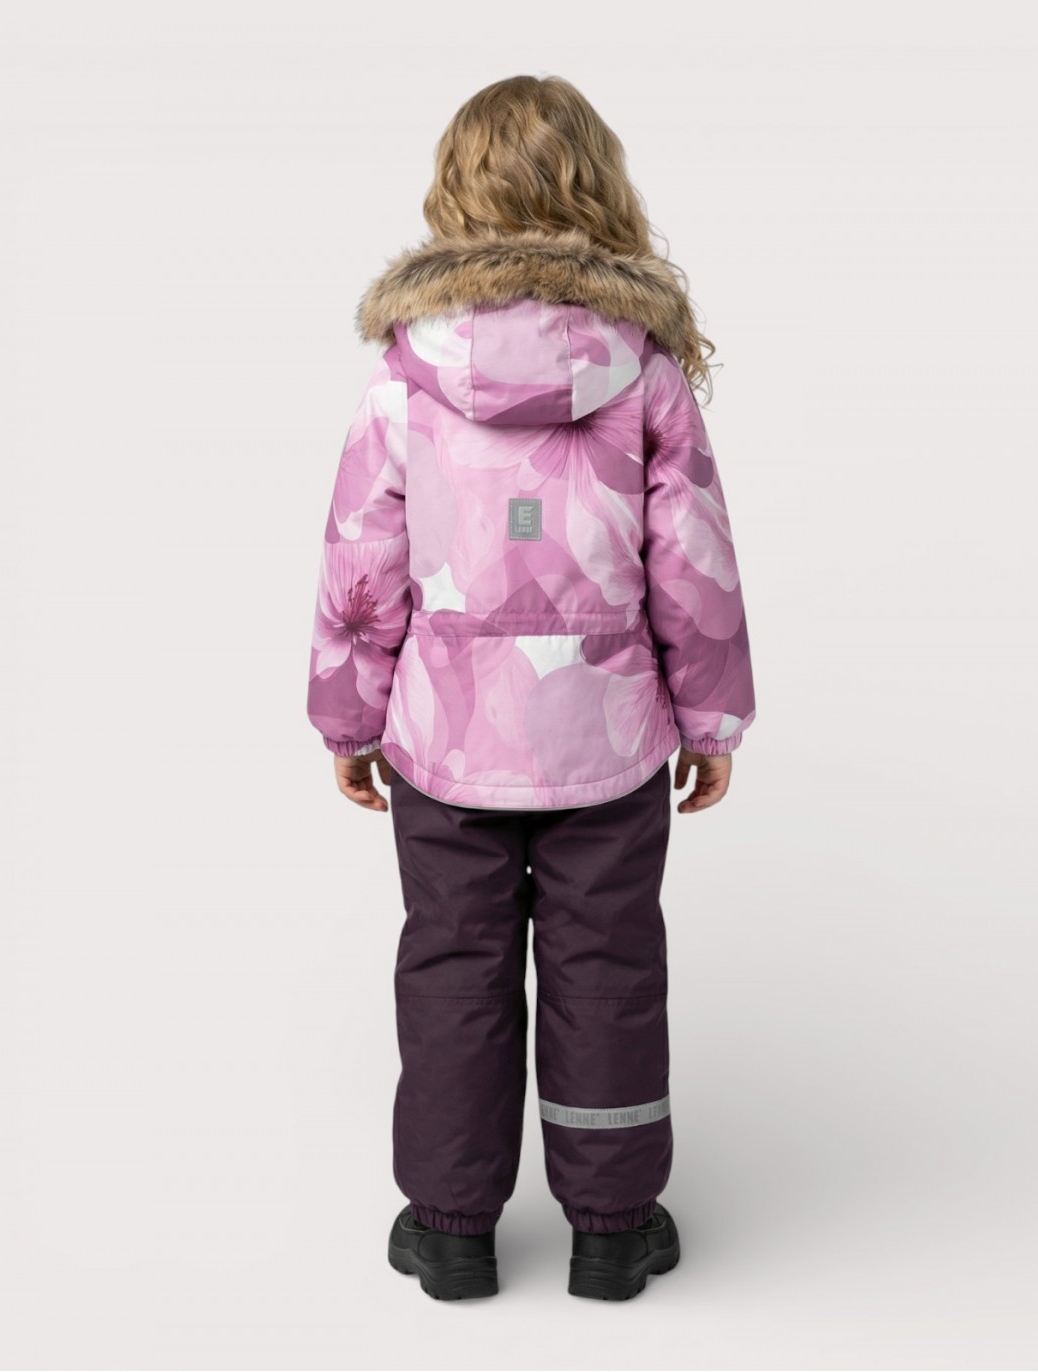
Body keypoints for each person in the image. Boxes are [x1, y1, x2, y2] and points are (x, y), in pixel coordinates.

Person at [305, 73, 756, 1302]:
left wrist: (350, 717)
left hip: (445, 740)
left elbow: (361, 562)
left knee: (453, 965)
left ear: (456, 200)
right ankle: (613, 1231)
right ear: (600, 195)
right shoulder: (646, 374)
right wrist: (711, 716)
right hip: (606, 737)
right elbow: (695, 562)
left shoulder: (404, 379)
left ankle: (451, 1228)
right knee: (608, 967)